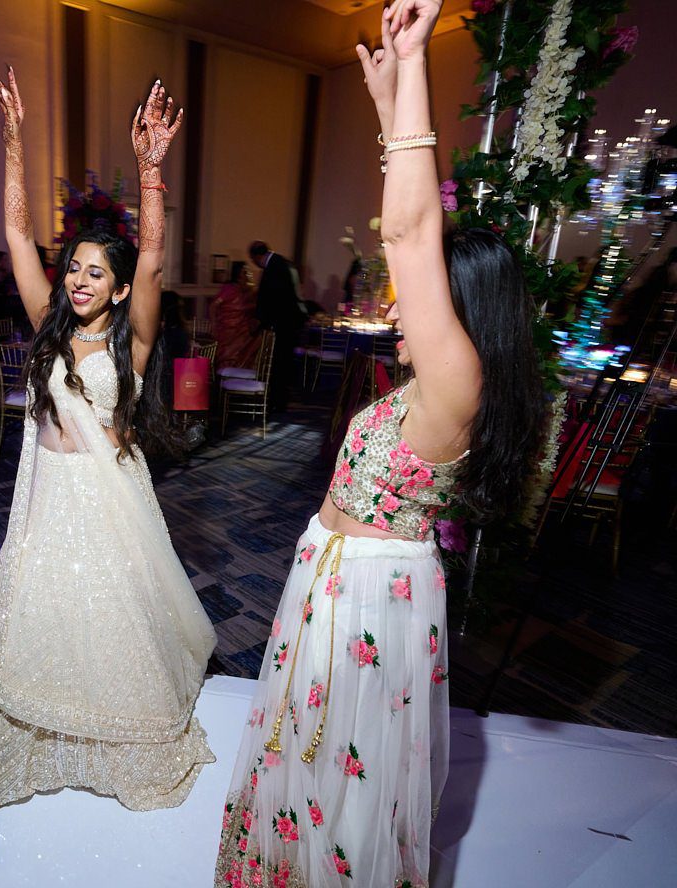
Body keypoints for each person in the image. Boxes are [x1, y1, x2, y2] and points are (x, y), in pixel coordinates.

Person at [215, 3, 547, 885]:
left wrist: (411, 70)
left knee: (342, 772)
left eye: (427, 298)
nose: (404, 306)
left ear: (464, 314)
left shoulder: (459, 385)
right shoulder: (438, 383)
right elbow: (411, 232)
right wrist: (390, 96)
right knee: (311, 757)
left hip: (368, 597)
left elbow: (409, 230)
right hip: (334, 578)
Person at [0, 70, 217, 812]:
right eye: (74, 268)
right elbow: (11, 232)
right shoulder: (47, 327)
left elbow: (153, 258)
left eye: (97, 272)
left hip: (107, 502)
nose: (79, 279)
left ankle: (113, 723)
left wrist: (151, 171)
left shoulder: (136, 343)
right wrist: (12, 140)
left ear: (120, 290)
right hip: (46, 498)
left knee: (109, 615)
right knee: (39, 612)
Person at [250, 240, 306, 412]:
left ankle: (277, 402)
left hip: (283, 324)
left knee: (279, 364)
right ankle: (277, 400)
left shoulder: (275, 266)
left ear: (257, 257)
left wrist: (261, 321)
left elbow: (273, 298)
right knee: (280, 364)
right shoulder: (281, 263)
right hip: (287, 323)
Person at [210, 260, 261, 370]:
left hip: (242, 333)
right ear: (238, 274)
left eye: (248, 272)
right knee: (227, 357)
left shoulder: (247, 292)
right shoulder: (229, 289)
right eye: (244, 272)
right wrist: (213, 325)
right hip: (228, 332)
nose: (248, 275)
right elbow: (214, 305)